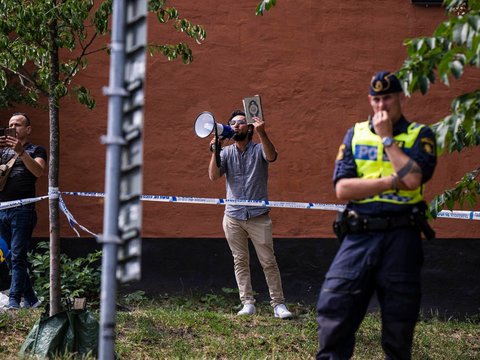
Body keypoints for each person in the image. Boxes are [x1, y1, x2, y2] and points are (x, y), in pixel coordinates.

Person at [316, 71, 437, 359]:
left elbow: (414, 180)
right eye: (377, 99)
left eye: (388, 98)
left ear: (400, 98)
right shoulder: (355, 134)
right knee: (334, 307)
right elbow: (343, 189)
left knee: (399, 323)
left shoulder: (420, 135)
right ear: (370, 100)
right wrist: (390, 181)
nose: (382, 106)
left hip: (402, 236)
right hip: (360, 234)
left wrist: (386, 139)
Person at [208, 109, 292, 319]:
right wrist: (214, 151)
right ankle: (247, 303)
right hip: (233, 216)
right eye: (233, 123)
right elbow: (213, 176)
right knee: (240, 261)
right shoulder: (226, 152)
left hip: (258, 216)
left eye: (241, 122)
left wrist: (263, 133)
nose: (236, 125)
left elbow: (271, 156)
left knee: (268, 261)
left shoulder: (258, 149)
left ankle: (278, 304)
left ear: (250, 128)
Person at [0, 112, 47, 309]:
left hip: (22, 209)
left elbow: (38, 171)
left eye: (18, 125)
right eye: (11, 124)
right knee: (10, 256)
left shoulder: (37, 150)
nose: (14, 127)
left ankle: (14, 301)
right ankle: (32, 300)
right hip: (2, 209)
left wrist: (20, 152)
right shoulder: (2, 153)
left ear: (27, 129)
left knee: (18, 255)